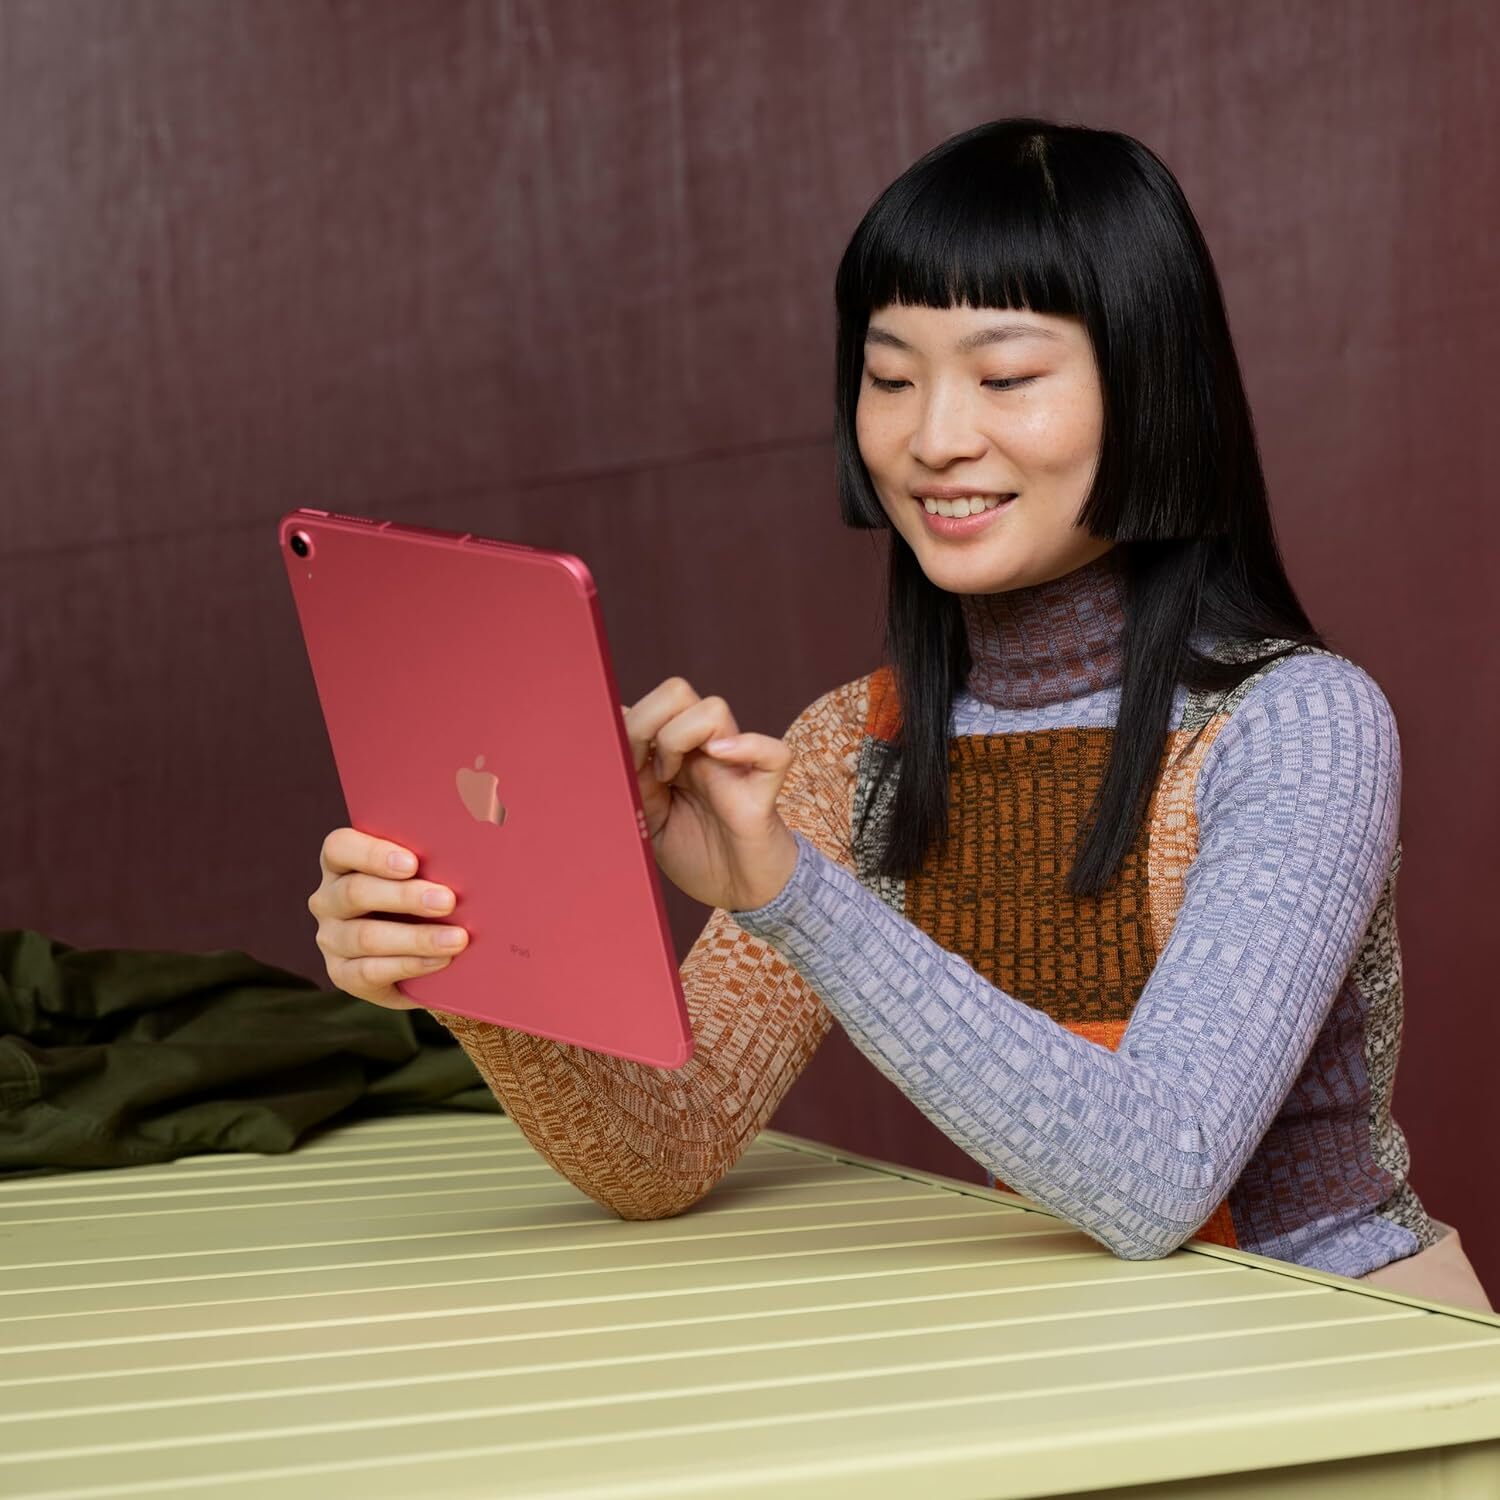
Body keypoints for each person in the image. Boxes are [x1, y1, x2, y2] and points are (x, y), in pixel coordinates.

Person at [305, 118, 1493, 1314]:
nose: (933, 439)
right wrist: (466, 937)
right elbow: (663, 1151)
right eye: (890, 378)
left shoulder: (1297, 726)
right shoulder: (854, 748)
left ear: (1151, 388)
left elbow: (1156, 1177)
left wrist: (793, 895)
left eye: (1006, 377)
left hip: (1353, 1338)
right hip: (1092, 1347)